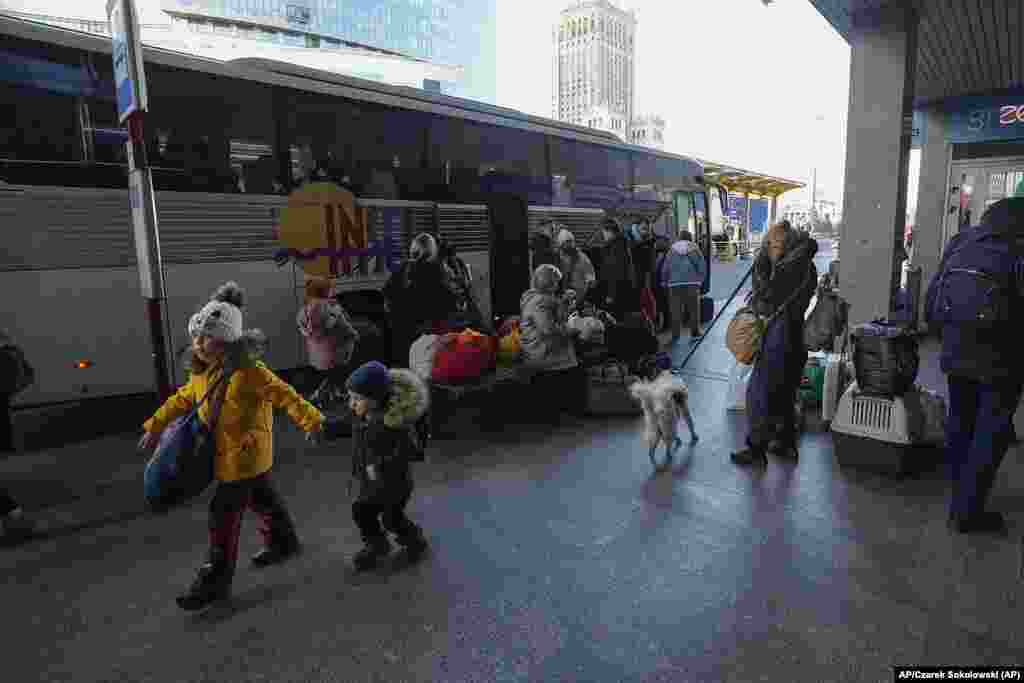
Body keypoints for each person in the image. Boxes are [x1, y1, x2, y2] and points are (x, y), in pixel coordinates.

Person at [138, 282, 326, 611]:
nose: (197, 344)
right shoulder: (203, 371)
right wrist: (154, 425)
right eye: (196, 336)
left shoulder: (250, 372)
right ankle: (283, 540)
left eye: (206, 337)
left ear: (227, 340)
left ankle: (215, 579)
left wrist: (312, 421)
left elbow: (285, 395)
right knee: (261, 497)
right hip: (229, 456)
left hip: (243, 457)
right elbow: (183, 399)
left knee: (222, 515)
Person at [925, 197, 1024, 534]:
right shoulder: (1017, 246)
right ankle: (969, 510)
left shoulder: (962, 241)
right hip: (1002, 355)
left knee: (960, 421)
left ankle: (959, 495)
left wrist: (944, 335)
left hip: (956, 347)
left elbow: (933, 294)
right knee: (991, 428)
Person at [319, 361, 430, 570]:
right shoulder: (360, 414)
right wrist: (324, 428)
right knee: (361, 512)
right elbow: (345, 425)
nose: (351, 404)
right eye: (351, 397)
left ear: (377, 399)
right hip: (369, 483)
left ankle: (415, 539)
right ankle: (377, 544)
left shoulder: (394, 423)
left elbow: (411, 451)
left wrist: (382, 466)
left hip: (394, 485)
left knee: (392, 519)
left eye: (358, 399)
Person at [731, 221, 818, 466]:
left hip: (778, 335)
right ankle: (785, 443)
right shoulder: (807, 265)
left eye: (772, 243)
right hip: (795, 336)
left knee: (759, 393)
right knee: (786, 392)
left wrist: (760, 266)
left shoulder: (787, 268)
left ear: (782, 243)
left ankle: (756, 450)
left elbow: (767, 297)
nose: (769, 248)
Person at [520, 264, 586, 416]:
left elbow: (558, 318)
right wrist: (572, 330)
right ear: (548, 283)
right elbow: (548, 329)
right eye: (556, 282)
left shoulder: (539, 298)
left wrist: (565, 303)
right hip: (540, 351)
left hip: (538, 347)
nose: (558, 285)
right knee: (576, 361)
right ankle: (570, 408)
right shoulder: (539, 302)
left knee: (575, 352)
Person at [382, 233, 458, 366]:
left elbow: (386, 295)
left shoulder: (403, 268)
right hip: (425, 335)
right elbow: (450, 303)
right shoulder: (438, 271)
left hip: (401, 333)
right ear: (433, 251)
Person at [657, 229, 707, 346]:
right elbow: (701, 265)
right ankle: (695, 333)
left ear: (679, 238)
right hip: (692, 283)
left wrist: (664, 281)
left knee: (675, 311)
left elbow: (666, 267)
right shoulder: (695, 248)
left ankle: (675, 336)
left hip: (674, 285)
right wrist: (700, 280)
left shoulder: (672, 250)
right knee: (693, 309)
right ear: (690, 238)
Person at [595, 219, 640, 318]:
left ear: (610, 231)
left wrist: (611, 294)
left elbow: (615, 272)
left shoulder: (615, 248)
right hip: (625, 291)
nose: (603, 235)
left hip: (618, 293)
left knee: (617, 320)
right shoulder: (623, 244)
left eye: (604, 232)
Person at [556, 228, 597, 307]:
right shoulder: (557, 258)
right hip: (562, 298)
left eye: (571, 241)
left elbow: (591, 278)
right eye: (566, 242)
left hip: (580, 297)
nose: (570, 244)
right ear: (561, 244)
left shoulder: (582, 258)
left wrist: (589, 284)